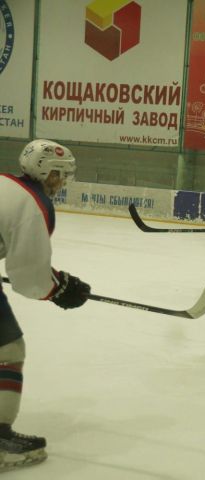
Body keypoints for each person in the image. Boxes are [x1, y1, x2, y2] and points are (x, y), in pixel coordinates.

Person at [0, 139, 91, 470]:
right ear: (48, 173)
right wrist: (59, 289)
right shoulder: (35, 203)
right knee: (8, 350)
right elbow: (28, 276)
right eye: (61, 175)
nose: (62, 183)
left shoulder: (3, 181)